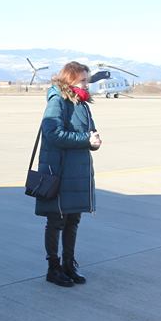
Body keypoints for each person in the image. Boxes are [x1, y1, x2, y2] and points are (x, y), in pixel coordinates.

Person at [34, 61, 101, 287]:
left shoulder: (82, 103)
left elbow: (89, 132)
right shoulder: (58, 100)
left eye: (87, 80)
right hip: (60, 171)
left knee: (73, 220)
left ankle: (69, 265)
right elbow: (52, 132)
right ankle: (53, 268)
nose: (86, 84)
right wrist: (85, 139)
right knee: (56, 221)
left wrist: (93, 141)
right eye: (83, 80)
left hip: (78, 172)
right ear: (70, 80)